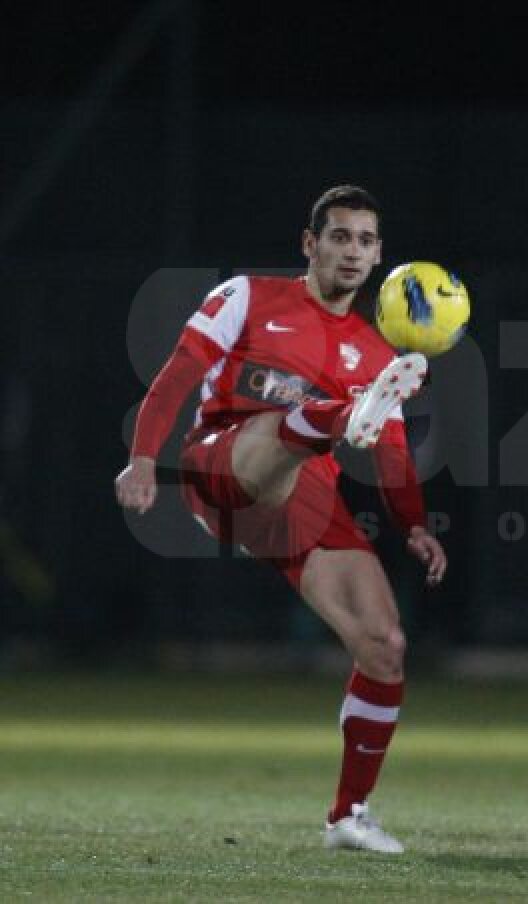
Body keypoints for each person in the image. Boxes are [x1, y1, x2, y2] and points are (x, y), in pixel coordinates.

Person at [115, 185, 447, 854]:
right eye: (340, 236)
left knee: (384, 645)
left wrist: (412, 523)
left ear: (379, 255)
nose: (352, 250)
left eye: (365, 240)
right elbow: (180, 374)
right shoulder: (248, 298)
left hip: (301, 499)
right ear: (310, 244)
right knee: (287, 430)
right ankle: (333, 419)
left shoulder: (377, 354)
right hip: (223, 469)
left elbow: (391, 452)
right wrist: (143, 457)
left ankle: (349, 815)